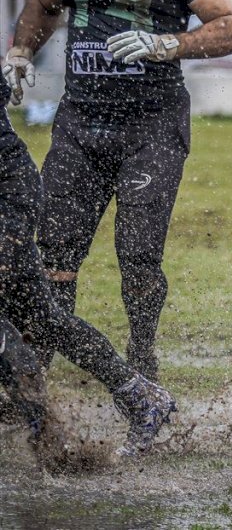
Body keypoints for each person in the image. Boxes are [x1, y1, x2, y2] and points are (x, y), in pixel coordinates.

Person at [2, 0, 232, 381]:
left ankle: (142, 354)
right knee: (55, 251)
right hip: (81, 118)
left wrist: (167, 44)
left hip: (150, 123)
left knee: (137, 253)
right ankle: (43, 362)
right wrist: (20, 51)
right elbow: (47, 2)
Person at [0, 70, 176, 458]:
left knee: (34, 320)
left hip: (7, 197)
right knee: (46, 318)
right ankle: (140, 395)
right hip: (13, 190)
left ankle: (47, 436)